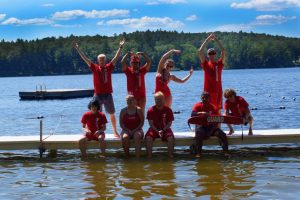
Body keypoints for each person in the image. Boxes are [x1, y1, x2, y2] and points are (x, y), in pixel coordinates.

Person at [73, 39, 126, 138]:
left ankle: (115, 131)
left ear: (105, 60)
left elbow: (116, 58)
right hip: (98, 94)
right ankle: (92, 131)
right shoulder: (95, 67)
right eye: (100, 59)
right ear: (98, 60)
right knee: (96, 113)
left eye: (103, 59)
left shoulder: (109, 67)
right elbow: (85, 59)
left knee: (112, 113)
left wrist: (120, 47)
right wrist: (78, 49)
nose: (102, 61)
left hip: (108, 94)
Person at [191, 92, 229, 158]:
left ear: (209, 98)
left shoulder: (213, 107)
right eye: (203, 97)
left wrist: (210, 132)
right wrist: (201, 113)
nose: (204, 99)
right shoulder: (197, 105)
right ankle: (198, 153)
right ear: (201, 98)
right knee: (199, 134)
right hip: (201, 127)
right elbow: (192, 114)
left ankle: (226, 152)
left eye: (206, 97)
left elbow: (217, 121)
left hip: (212, 127)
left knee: (222, 134)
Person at [199, 33, 225, 113]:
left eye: (213, 53)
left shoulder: (219, 64)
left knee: (218, 112)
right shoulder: (206, 64)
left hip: (218, 91)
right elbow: (200, 51)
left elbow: (223, 51)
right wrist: (208, 39)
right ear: (207, 55)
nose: (212, 54)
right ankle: (208, 125)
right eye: (210, 53)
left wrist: (216, 39)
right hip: (208, 93)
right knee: (209, 111)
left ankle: (218, 126)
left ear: (216, 54)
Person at [145, 92, 175, 158]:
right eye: (156, 99)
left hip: (165, 128)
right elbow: (151, 124)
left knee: (170, 138)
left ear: (164, 100)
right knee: (148, 138)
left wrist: (163, 130)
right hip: (154, 129)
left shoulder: (168, 110)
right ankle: (149, 156)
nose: (158, 101)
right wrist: (157, 131)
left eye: (160, 99)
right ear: (154, 100)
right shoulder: (150, 110)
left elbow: (169, 123)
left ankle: (170, 156)